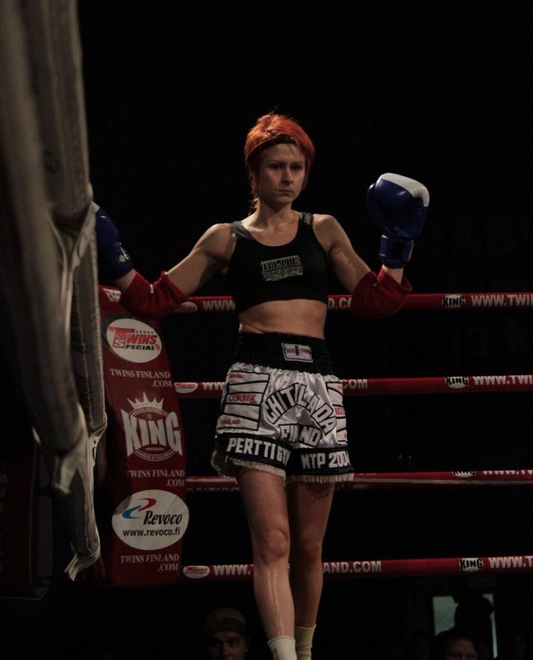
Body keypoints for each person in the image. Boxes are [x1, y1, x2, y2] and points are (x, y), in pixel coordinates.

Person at [95, 113, 429, 660]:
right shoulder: (224, 238)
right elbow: (154, 300)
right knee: (272, 540)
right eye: (276, 166)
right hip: (255, 381)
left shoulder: (325, 228)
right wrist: (114, 254)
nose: (288, 177)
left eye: (297, 167)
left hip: (318, 386)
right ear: (253, 173)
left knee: (310, 546)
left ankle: (305, 651)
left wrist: (399, 248)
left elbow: (376, 303)